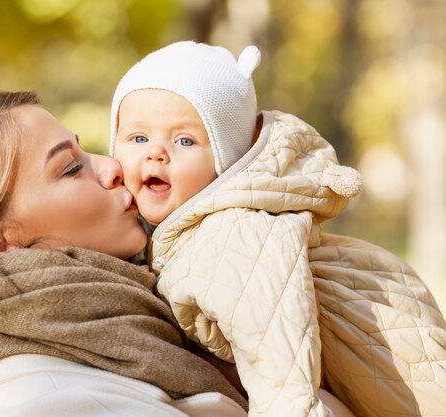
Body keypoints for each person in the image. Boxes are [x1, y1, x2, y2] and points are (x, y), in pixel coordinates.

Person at [109, 41, 446, 417]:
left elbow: (278, 356)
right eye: (138, 138)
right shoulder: (183, 230)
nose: (156, 153)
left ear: (225, 163)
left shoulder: (229, 234)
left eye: (185, 140)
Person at [0, 90, 254, 417]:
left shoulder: (163, 319)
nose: (112, 167)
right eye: (70, 169)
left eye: (86, 151)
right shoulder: (50, 403)